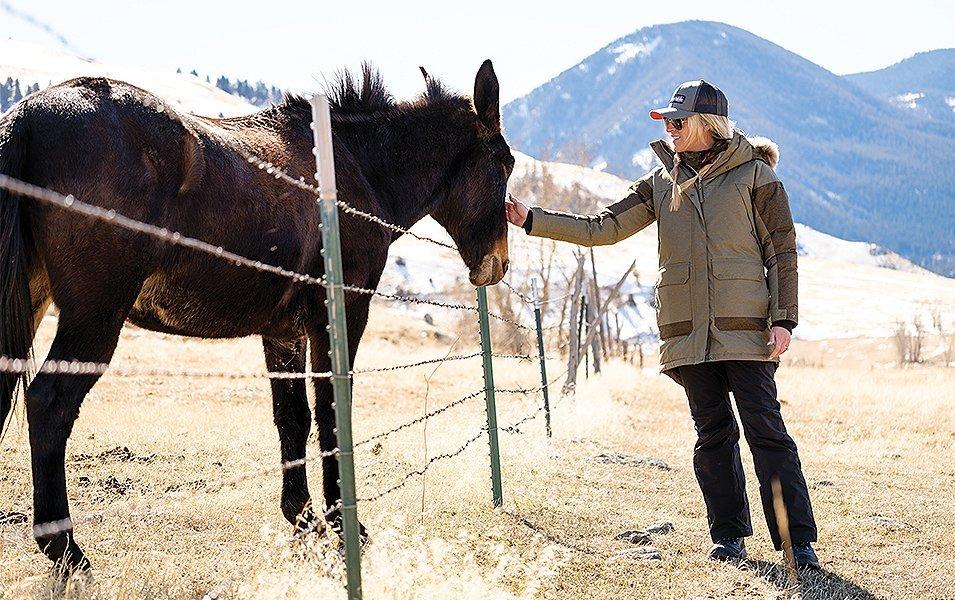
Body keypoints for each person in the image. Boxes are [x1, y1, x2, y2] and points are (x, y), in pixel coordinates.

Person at [505, 80, 820, 568]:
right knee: (712, 434)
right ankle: (729, 536)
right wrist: (532, 220)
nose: (670, 131)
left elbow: (781, 251)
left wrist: (784, 320)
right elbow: (603, 228)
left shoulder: (758, 178)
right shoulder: (659, 183)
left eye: (678, 122)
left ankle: (796, 541)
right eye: (667, 123)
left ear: (705, 125)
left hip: (747, 330)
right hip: (687, 333)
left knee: (766, 431)